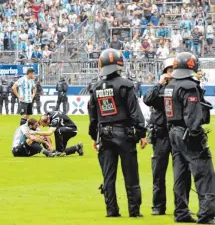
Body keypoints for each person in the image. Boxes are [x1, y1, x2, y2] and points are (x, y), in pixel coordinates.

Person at [88, 49, 147, 218]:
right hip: (125, 134)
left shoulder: (96, 88)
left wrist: (94, 137)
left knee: (108, 176)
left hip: (104, 135)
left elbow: (93, 116)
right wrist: (142, 133)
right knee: (131, 175)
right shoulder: (126, 85)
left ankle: (111, 210)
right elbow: (135, 113)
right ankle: (134, 211)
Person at [164, 52, 215, 223]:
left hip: (173, 132)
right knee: (204, 173)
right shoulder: (189, 86)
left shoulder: (171, 86)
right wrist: (195, 135)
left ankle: (181, 212)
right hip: (187, 133)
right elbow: (192, 116)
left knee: (180, 174)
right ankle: (207, 214)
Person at [143, 58, 191, 216]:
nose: (171, 73)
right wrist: (159, 83)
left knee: (182, 173)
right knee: (158, 172)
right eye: (168, 70)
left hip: (177, 133)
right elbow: (147, 99)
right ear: (164, 72)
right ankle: (158, 205)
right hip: (161, 134)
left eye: (173, 70)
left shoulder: (181, 87)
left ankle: (181, 206)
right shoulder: (159, 89)